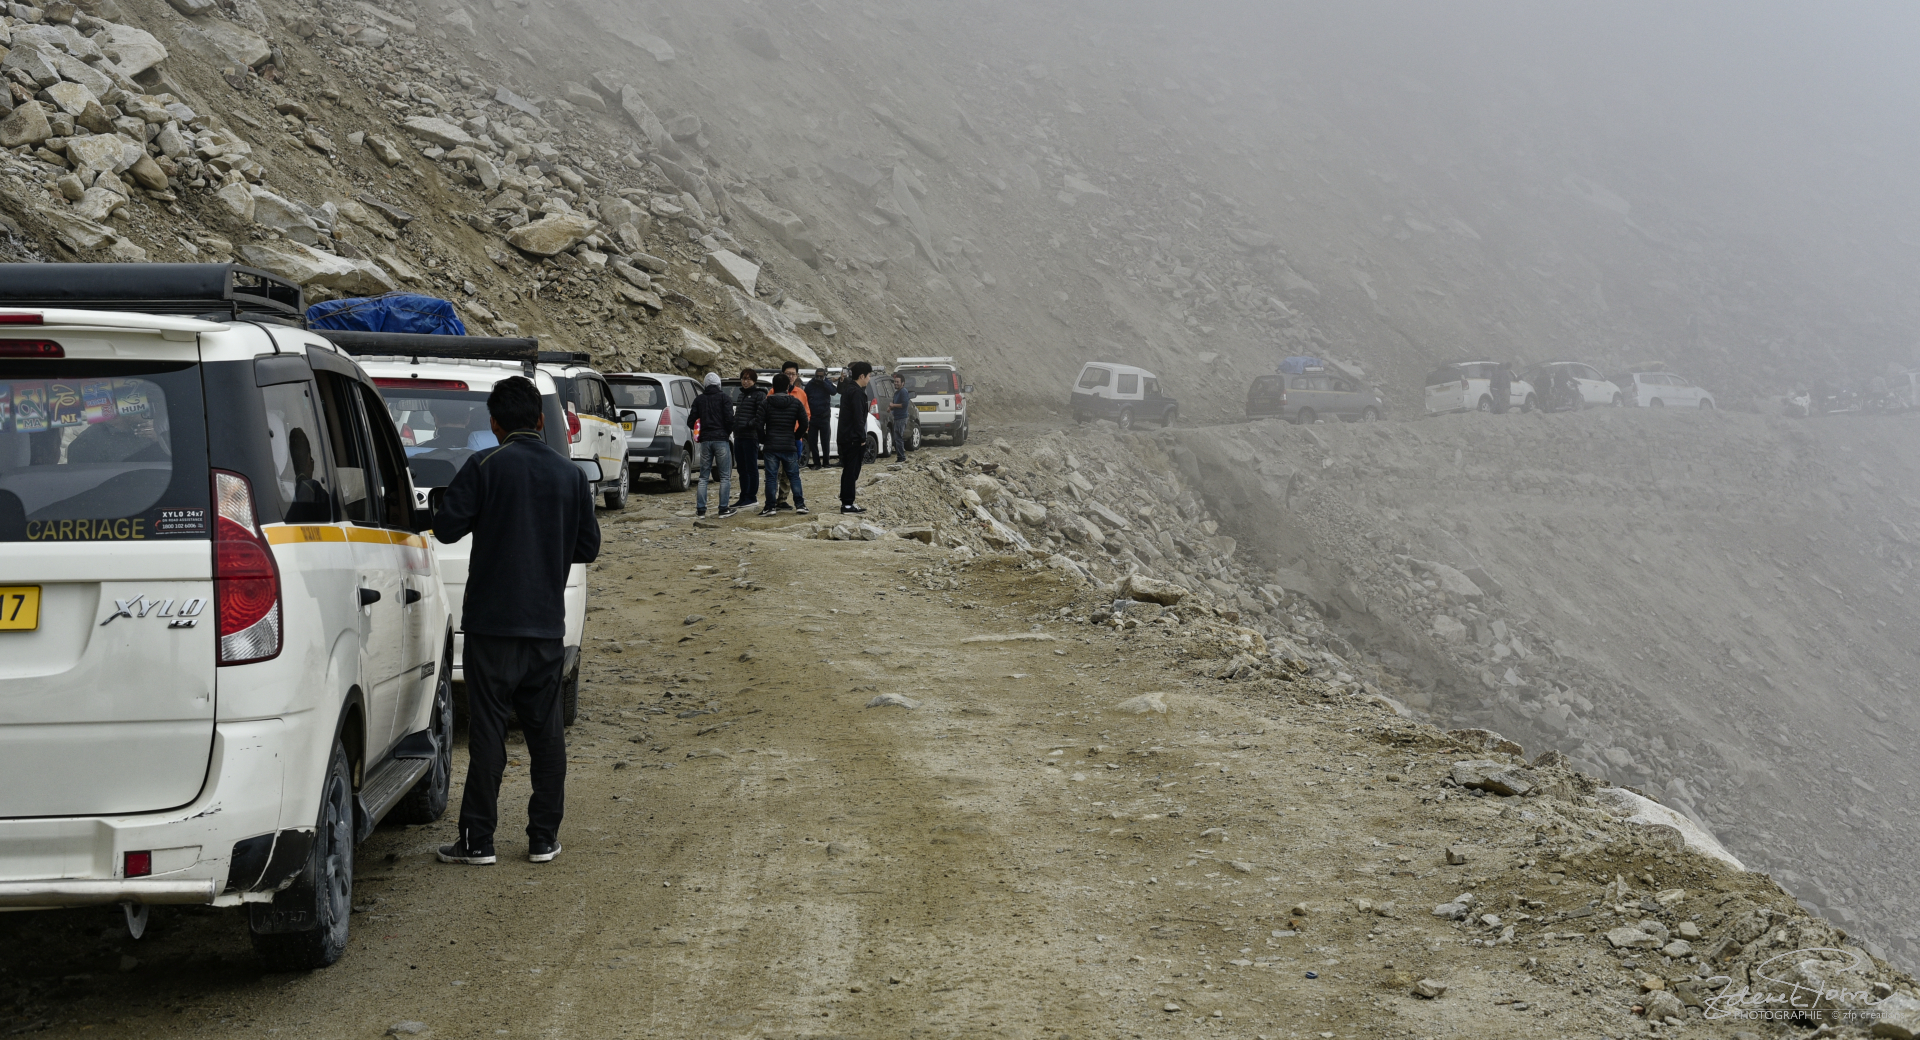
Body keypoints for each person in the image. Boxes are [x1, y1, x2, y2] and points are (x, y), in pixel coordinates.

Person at [433, 376, 600, 866]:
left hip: (490, 626)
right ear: (541, 420)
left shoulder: (484, 465)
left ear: (494, 423)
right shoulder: (569, 476)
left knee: (487, 733)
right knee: (546, 734)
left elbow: (445, 529)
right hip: (546, 627)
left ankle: (477, 841)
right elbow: (588, 548)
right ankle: (543, 838)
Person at [759, 372, 809, 516]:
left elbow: (758, 424)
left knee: (771, 477)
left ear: (773, 387)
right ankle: (800, 504)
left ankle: (770, 507)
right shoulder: (795, 402)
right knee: (794, 476)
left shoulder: (766, 403)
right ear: (788, 386)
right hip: (789, 444)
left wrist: (764, 439)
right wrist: (795, 437)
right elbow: (804, 423)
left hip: (771, 445)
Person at [689, 372, 736, 519]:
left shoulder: (699, 400)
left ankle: (701, 510)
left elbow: (690, 421)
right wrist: (726, 432)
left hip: (705, 441)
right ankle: (723, 509)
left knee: (703, 477)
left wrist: (701, 428)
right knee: (724, 477)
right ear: (718, 384)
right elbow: (730, 420)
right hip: (721, 439)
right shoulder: (725, 398)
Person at [770, 361, 811, 510]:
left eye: (793, 374)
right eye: (788, 374)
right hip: (776, 438)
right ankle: (771, 501)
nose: (791, 376)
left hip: (794, 439)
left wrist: (798, 434)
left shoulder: (801, 394)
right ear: (782, 374)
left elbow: (807, 415)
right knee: (775, 471)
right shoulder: (772, 392)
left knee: (790, 472)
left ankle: (782, 499)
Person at [837, 361, 872, 514]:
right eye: (869, 376)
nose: (869, 379)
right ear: (862, 376)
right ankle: (847, 504)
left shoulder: (848, 389)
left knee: (848, 470)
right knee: (852, 471)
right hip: (853, 438)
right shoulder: (857, 392)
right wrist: (861, 437)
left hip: (846, 436)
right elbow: (858, 417)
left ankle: (846, 500)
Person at [730, 368, 766, 511]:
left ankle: (752, 497)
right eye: (744, 378)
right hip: (738, 436)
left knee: (751, 467)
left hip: (751, 437)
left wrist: (748, 425)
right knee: (741, 468)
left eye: (748, 379)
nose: (745, 381)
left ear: (754, 381)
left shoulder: (759, 395)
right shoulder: (741, 395)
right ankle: (743, 496)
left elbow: (760, 416)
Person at [804, 369, 835, 468]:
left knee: (825, 441)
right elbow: (805, 396)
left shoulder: (827, 383)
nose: (819, 378)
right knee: (812, 441)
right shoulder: (810, 384)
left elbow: (833, 392)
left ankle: (826, 462)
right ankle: (816, 463)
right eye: (817, 376)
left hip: (824, 417)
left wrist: (824, 383)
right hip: (813, 417)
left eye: (821, 376)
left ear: (824, 376)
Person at [888, 372, 913, 463]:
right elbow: (895, 404)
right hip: (897, 417)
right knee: (897, 438)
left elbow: (904, 404)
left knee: (898, 438)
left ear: (903, 383)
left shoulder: (903, 391)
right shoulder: (897, 392)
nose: (896, 383)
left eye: (898, 382)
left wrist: (893, 405)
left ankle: (901, 457)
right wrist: (890, 407)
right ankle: (900, 457)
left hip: (901, 418)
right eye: (895, 382)